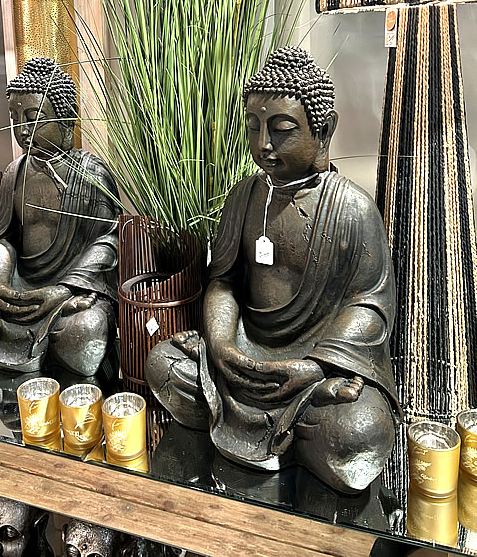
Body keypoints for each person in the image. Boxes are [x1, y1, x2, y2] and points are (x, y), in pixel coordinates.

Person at [146, 47, 399, 493]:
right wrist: (221, 344)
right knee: (162, 364)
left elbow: (371, 305)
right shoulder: (243, 198)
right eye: (253, 127)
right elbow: (223, 281)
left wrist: (315, 367)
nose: (263, 143)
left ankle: (306, 414)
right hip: (246, 355)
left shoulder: (353, 209)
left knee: (359, 431)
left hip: (316, 364)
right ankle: (283, 432)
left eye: (281, 130)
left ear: (324, 130)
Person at [0, 58, 119, 375]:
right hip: (20, 290)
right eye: (15, 119)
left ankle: (52, 345)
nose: (22, 131)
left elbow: (108, 243)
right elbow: (5, 239)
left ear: (65, 120)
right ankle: (30, 345)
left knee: (86, 331)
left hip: (70, 294)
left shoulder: (91, 174)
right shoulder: (15, 173)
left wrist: (64, 290)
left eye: (34, 119)